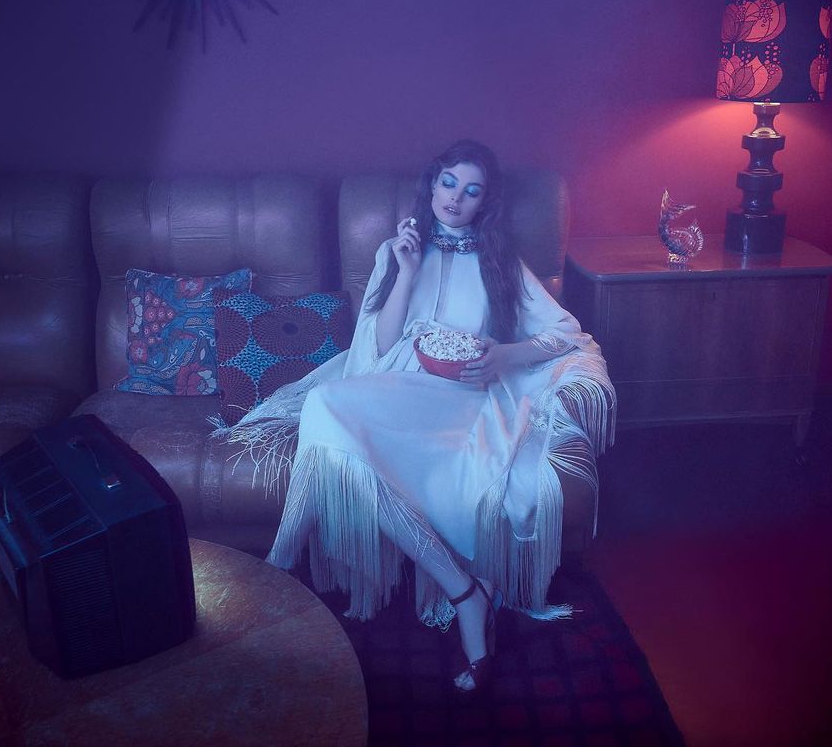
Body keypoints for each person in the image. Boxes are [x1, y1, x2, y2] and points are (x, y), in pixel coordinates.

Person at [212, 139, 615, 693]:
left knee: (325, 418)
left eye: (471, 191)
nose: (455, 199)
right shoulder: (395, 250)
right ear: (432, 185)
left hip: (463, 395)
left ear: (484, 202)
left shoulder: (501, 262)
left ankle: (279, 572)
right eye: (449, 183)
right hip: (398, 383)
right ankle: (464, 593)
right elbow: (379, 346)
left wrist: (505, 355)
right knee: (328, 418)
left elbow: (563, 332)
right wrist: (405, 271)